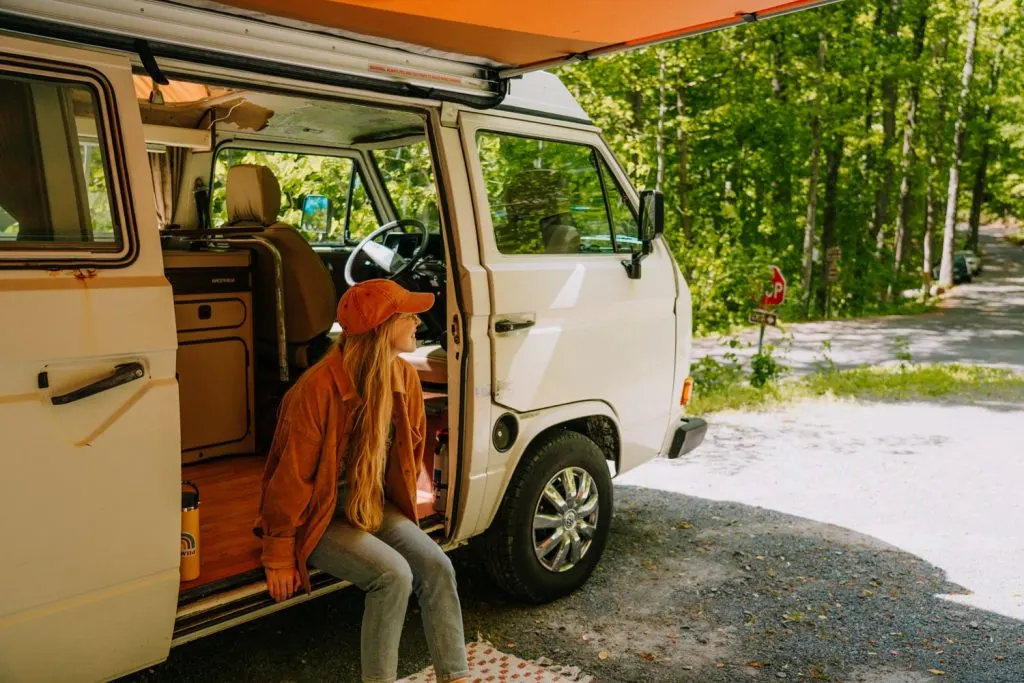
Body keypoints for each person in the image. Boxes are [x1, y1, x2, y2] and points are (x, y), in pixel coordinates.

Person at [254, 278, 469, 683]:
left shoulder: (404, 377)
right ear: (383, 327)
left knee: (437, 566)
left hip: (368, 505)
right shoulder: (315, 390)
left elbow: (410, 449)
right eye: (408, 316)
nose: (418, 322)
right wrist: (279, 551)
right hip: (319, 514)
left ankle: (455, 677)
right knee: (393, 576)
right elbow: (290, 477)